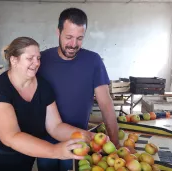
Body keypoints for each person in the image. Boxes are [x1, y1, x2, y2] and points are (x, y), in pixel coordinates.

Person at [0, 36, 94, 171]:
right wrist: (55, 151)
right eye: (30, 58)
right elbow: (10, 137)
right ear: (14, 60)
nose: (36, 63)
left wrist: (85, 135)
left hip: (22, 160)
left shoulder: (43, 87)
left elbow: (55, 126)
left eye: (38, 58)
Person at [37, 8, 120, 171]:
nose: (73, 44)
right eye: (68, 37)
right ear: (58, 32)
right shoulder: (42, 60)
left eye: (79, 38)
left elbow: (105, 104)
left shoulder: (93, 61)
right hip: (46, 140)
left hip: (79, 140)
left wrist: (115, 143)